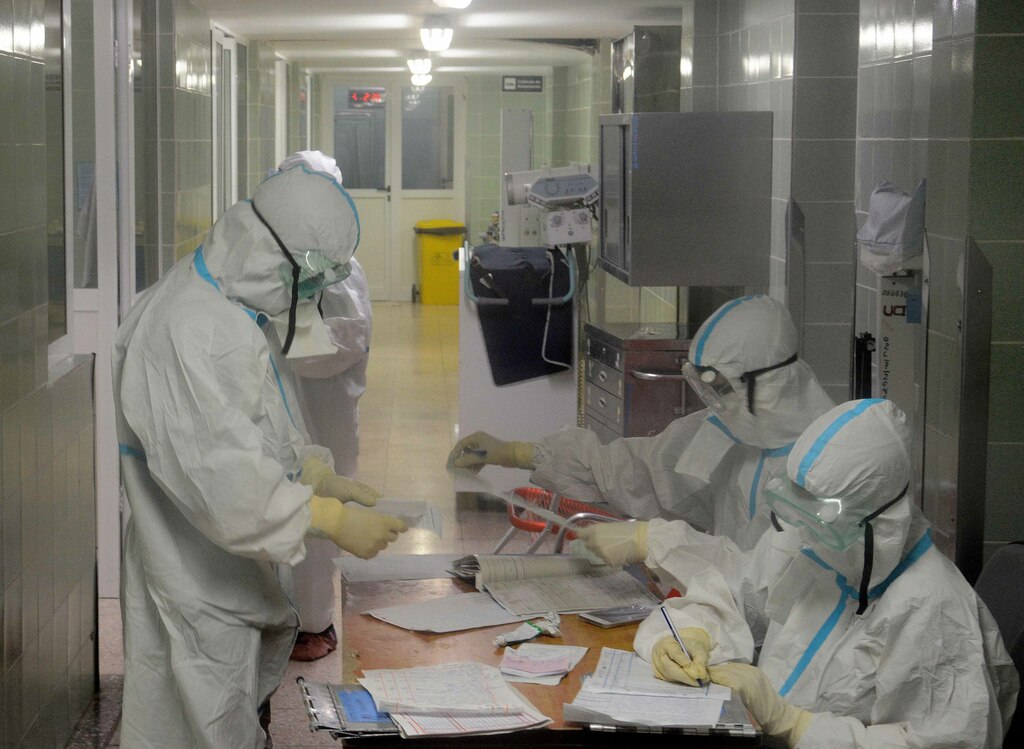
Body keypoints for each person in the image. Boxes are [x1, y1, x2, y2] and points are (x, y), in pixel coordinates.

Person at [112, 162, 408, 748]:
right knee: (203, 727)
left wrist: (314, 472)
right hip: (195, 576)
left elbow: (257, 422)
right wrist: (329, 519)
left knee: (230, 719)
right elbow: (221, 481)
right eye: (305, 284)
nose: (302, 300)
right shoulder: (187, 327)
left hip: (225, 569)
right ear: (274, 255)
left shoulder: (228, 307)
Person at [613, 398, 1018, 748]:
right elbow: (734, 593)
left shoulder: (930, 606)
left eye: (820, 514)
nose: (803, 528)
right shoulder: (816, 542)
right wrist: (689, 632)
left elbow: (946, 743)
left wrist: (796, 725)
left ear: (877, 515)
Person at [449, 294, 835, 550]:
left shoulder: (829, 465)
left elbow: (767, 582)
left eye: (722, 386)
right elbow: (641, 469)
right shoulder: (730, 426)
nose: (715, 403)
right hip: (716, 623)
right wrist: (521, 453)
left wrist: (651, 542)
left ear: (768, 379)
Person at [277, 151, 375, 661]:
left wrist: (279, 328)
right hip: (288, 417)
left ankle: (312, 624)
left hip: (324, 416)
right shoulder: (282, 262)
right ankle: (289, 619)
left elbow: (342, 346)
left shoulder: (338, 268)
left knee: (316, 517)